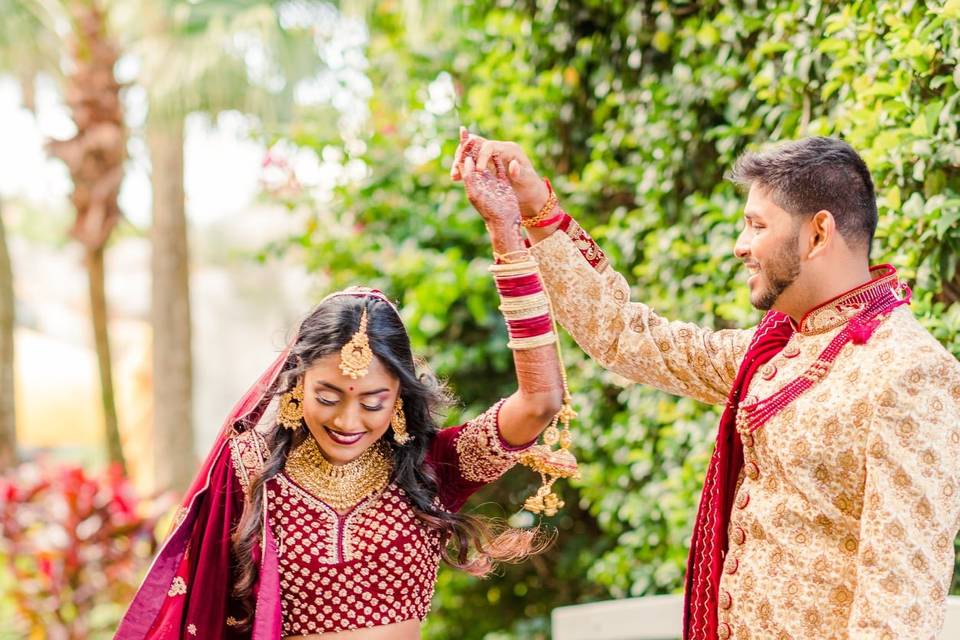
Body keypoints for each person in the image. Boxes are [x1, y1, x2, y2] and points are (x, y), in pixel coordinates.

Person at [453, 131, 960, 639]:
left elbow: (899, 604)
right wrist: (535, 207)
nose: (740, 246)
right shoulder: (774, 350)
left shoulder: (908, 373)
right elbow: (623, 335)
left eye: (756, 226)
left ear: (818, 233)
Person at [115, 273, 574, 635]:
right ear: (297, 384)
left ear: (399, 397)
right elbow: (202, 607)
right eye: (329, 397)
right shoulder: (250, 468)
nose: (349, 421)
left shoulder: (435, 466)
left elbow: (540, 402)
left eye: (373, 402)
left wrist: (506, 230)